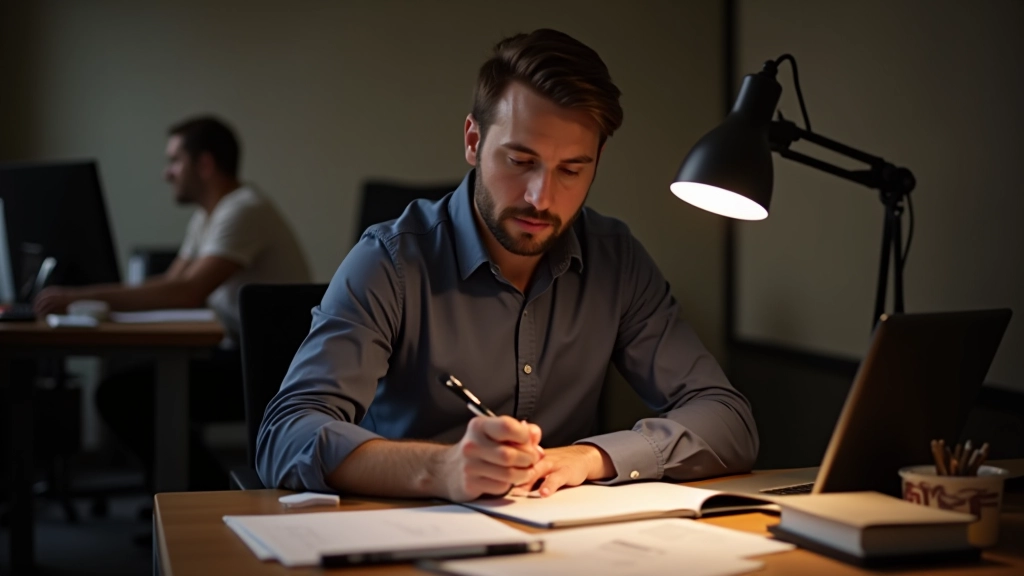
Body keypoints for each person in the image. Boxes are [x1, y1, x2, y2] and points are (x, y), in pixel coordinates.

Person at [257, 29, 757, 502]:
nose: (542, 198)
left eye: (571, 170)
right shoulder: (391, 259)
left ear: (598, 160)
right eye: (520, 161)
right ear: (474, 141)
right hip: (408, 534)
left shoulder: (616, 260)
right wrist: (444, 469)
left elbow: (728, 419)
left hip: (559, 538)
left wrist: (589, 457)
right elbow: (285, 434)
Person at [35, 116, 312, 488]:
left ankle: (209, 494)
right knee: (133, 388)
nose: (167, 173)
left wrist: (80, 297)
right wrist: (88, 298)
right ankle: (197, 491)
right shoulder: (208, 216)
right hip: (238, 354)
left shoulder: (243, 209)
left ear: (205, 164)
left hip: (274, 370)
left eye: (175, 160)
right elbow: (172, 282)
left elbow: (188, 292)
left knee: (123, 395)